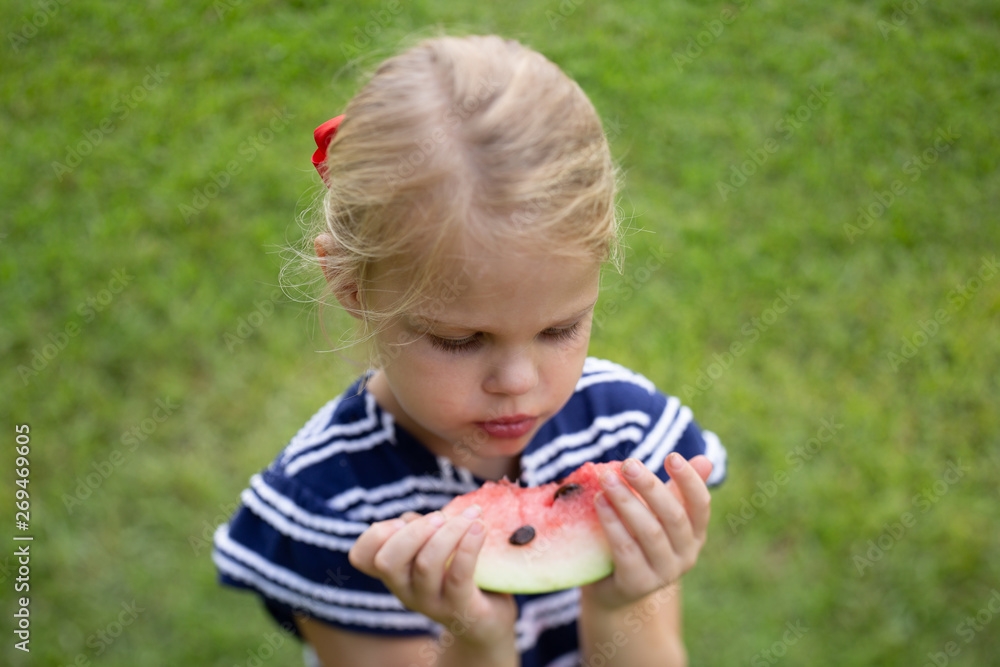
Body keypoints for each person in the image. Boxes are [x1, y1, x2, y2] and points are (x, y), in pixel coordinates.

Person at [213, 34, 727, 667]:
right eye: (459, 341)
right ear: (350, 286)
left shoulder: (626, 432)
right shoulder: (329, 507)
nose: (516, 382)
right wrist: (476, 640)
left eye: (559, 329)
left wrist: (619, 606)